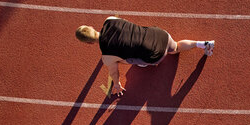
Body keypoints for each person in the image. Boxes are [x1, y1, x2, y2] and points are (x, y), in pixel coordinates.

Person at [75, 16, 215, 96]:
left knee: (121, 60)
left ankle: (143, 61)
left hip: (155, 54)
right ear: (92, 27)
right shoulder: (109, 19)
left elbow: (114, 72)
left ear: (88, 43)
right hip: (159, 34)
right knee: (176, 47)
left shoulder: (107, 56)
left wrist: (117, 84)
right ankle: (203, 43)